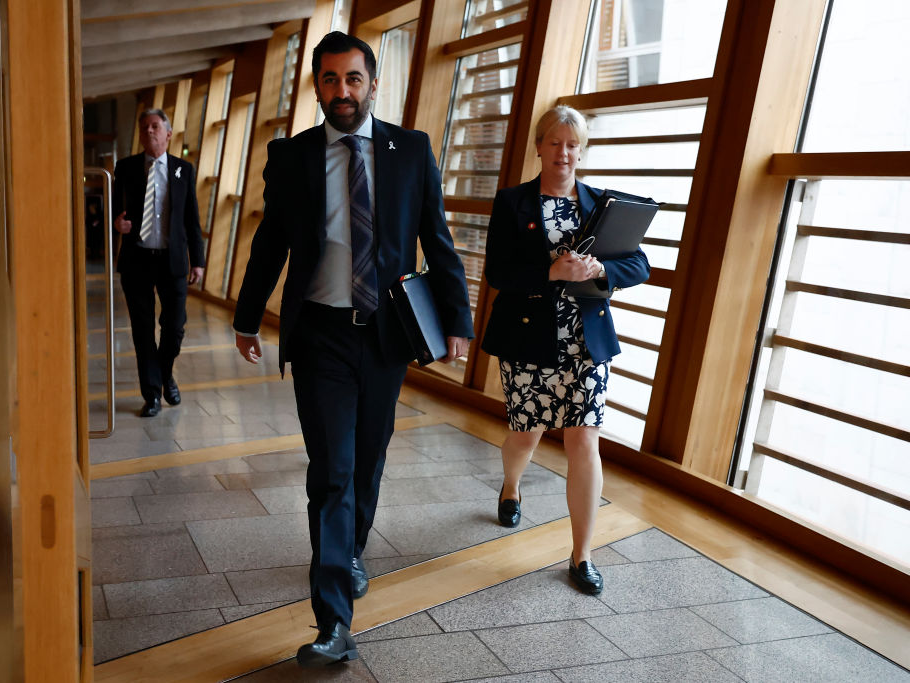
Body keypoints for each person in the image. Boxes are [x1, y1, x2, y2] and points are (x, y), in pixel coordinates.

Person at [233, 32, 473, 667]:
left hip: (387, 335)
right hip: (321, 336)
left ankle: (352, 550)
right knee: (332, 470)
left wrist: (458, 319)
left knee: (368, 460)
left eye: (353, 78)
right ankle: (333, 620)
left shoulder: (410, 150)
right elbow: (270, 242)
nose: (342, 91)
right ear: (317, 86)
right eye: (331, 79)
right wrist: (247, 318)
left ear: (372, 84)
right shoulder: (291, 156)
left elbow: (438, 238)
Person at [481, 106, 650, 596]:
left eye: (572, 144)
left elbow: (639, 264)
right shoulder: (513, 202)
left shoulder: (602, 204)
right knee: (527, 434)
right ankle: (511, 485)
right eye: (554, 142)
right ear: (539, 147)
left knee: (584, 440)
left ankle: (582, 555)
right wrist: (551, 273)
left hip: (585, 341)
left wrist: (601, 270)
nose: (564, 152)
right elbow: (498, 273)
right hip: (528, 338)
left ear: (582, 150)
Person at [113, 108, 205, 417]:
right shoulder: (126, 168)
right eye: (144, 127)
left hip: (172, 260)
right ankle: (152, 395)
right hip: (137, 260)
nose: (149, 131)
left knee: (174, 328)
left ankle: (165, 374)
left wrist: (198, 261)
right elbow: (114, 208)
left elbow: (192, 218)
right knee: (142, 330)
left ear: (168, 134)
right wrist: (116, 223)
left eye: (154, 126)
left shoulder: (183, 169)